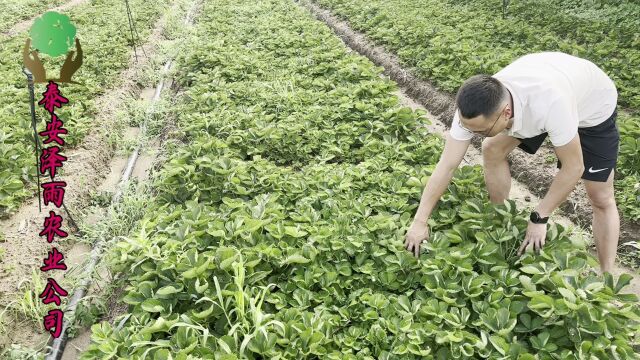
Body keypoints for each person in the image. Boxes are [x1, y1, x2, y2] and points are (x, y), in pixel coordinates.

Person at [404, 52, 619, 273]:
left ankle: (607, 276)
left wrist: (539, 217)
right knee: (492, 147)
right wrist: (420, 221)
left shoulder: (551, 104)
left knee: (600, 197)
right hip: (546, 85)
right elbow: (447, 165)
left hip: (591, 107)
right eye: (468, 128)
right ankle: (500, 218)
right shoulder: (471, 113)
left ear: (505, 113)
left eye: (480, 131)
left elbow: (573, 167)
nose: (473, 134)